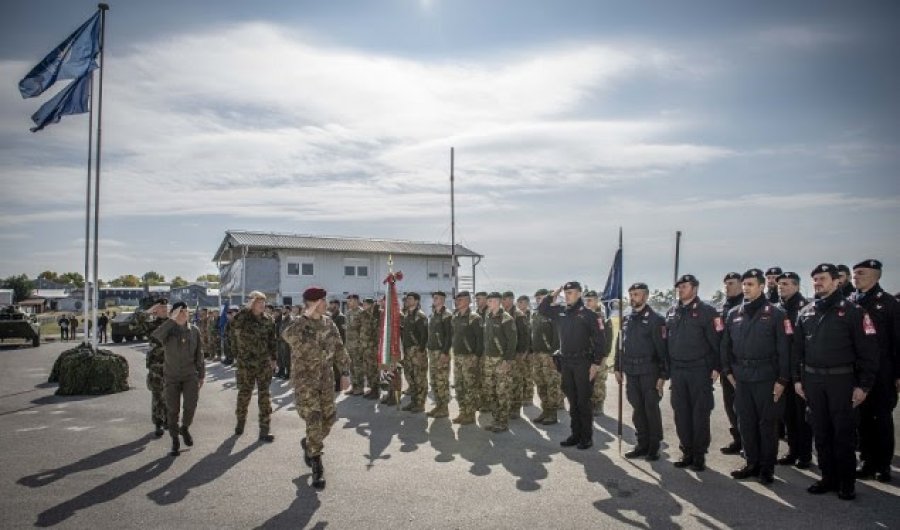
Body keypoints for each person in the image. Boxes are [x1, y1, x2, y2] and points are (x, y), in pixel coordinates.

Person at [793, 263, 879, 500]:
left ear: (836, 281)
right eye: (815, 279)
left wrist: (864, 386)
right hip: (813, 381)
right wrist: (797, 380)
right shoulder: (806, 312)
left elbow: (869, 352)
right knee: (820, 432)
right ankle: (827, 477)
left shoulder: (853, 311)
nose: (817, 282)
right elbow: (797, 351)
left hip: (841, 381)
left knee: (843, 433)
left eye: (822, 278)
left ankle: (846, 482)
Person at [721, 269, 791, 484]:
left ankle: (766, 468)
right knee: (746, 423)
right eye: (744, 284)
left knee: (767, 425)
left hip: (767, 377)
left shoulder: (776, 313)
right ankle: (751, 463)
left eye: (750, 284)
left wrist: (782, 380)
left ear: (761, 287)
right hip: (742, 378)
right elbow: (726, 346)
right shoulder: (734, 313)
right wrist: (729, 372)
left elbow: (785, 349)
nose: (746, 288)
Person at [281, 287, 350, 489]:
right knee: (314, 418)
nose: (326, 303)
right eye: (322, 300)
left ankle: (309, 443)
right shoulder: (297, 324)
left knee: (329, 418)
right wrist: (305, 316)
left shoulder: (329, 323)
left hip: (326, 380)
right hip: (305, 381)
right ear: (314, 303)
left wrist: (345, 373)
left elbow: (339, 348)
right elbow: (286, 336)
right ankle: (317, 466)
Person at [538, 282, 606, 449]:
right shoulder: (561, 311)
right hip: (566, 362)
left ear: (579, 294)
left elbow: (600, 342)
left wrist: (596, 364)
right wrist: (553, 294)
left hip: (583, 363)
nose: (567, 295)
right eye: (566, 292)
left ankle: (586, 437)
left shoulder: (589, 315)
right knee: (572, 400)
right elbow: (542, 309)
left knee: (583, 402)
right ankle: (575, 434)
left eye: (571, 292)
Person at [666, 274, 722, 471]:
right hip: (678, 370)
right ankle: (687, 451)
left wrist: (717, 367)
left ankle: (699, 455)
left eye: (684, 286)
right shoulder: (673, 311)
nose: (680, 289)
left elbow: (718, 342)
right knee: (681, 413)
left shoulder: (708, 312)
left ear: (695, 288)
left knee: (699, 413)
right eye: (679, 286)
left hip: (699, 370)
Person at [851, 259, 899, 483]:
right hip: (857, 373)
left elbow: (897, 342)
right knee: (862, 419)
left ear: (876, 276)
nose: (855, 277)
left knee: (881, 419)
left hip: (882, 373)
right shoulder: (849, 302)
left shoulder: (888, 303)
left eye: (861, 273)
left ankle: (883, 465)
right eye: (854, 273)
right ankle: (867, 461)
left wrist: (898, 374)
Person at [615, 282, 668, 461]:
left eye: (636, 294)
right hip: (631, 370)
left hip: (649, 371)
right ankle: (642, 443)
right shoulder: (627, 319)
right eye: (631, 294)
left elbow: (662, 350)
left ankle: (654, 446)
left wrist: (662, 375)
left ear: (645, 296)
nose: (633, 298)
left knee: (650, 408)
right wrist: (617, 367)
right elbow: (619, 345)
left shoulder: (656, 320)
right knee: (637, 408)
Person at [151, 301, 204, 457]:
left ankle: (185, 428)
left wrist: (201, 374)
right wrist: (171, 320)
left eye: (185, 311)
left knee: (191, 405)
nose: (183, 314)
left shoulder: (194, 331)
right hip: (171, 376)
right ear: (173, 313)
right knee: (173, 410)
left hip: (190, 375)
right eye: (180, 311)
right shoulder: (168, 330)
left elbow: (199, 354)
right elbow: (156, 336)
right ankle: (174, 439)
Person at [775, 271, 813, 469]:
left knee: (801, 416)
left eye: (788, 284)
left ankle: (804, 455)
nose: (783, 287)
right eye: (781, 284)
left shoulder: (804, 307)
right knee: (788, 414)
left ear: (797, 286)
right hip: (782, 369)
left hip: (798, 370)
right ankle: (792, 450)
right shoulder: (777, 308)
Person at [230, 291, 278, 442]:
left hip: (263, 363)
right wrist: (236, 356)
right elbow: (232, 333)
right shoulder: (242, 317)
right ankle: (240, 422)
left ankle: (264, 430)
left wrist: (274, 359)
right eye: (259, 302)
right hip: (246, 364)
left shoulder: (268, 320)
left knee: (265, 396)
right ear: (252, 303)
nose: (262, 305)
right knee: (244, 394)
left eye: (264, 302)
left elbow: (273, 341)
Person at [481, 292, 517, 432]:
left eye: (491, 301)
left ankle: (503, 422)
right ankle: (495, 419)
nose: (488, 303)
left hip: (501, 360)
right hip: (489, 359)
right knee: (491, 391)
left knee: (502, 391)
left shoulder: (506, 318)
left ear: (498, 302)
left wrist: (507, 361)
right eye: (488, 301)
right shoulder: (488, 316)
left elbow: (512, 342)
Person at [719, 272, 745, 455]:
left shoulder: (746, 306)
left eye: (731, 283)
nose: (727, 286)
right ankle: (738, 439)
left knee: (745, 407)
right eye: (725, 283)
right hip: (726, 366)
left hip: (743, 366)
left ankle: (749, 441)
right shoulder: (723, 307)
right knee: (729, 405)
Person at [450, 291, 483, 425]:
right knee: (459, 386)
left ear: (469, 301)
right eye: (457, 300)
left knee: (470, 387)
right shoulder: (455, 317)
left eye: (461, 299)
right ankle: (463, 412)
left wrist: (476, 356)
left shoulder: (474, 318)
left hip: (470, 357)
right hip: (458, 357)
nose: (458, 302)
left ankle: (470, 415)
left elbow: (480, 339)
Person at [530, 289, 561, 425]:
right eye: (537, 298)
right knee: (540, 383)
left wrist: (553, 353)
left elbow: (558, 336)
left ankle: (553, 413)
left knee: (551, 384)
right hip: (537, 354)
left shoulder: (554, 313)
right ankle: (545, 410)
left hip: (549, 355)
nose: (539, 301)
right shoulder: (536, 314)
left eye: (541, 298)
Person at [142, 299, 170, 437]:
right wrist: (148, 311)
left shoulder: (174, 324)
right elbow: (137, 321)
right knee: (157, 394)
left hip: (172, 365)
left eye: (166, 308)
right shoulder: (151, 325)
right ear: (156, 310)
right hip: (156, 366)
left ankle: (168, 420)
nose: (164, 310)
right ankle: (158, 423)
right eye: (161, 308)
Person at [501, 291, 530, 420]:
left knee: (516, 381)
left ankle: (515, 409)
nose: (503, 301)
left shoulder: (519, 315)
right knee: (505, 382)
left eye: (505, 299)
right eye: (502, 299)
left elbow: (526, 335)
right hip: (505, 354)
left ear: (511, 300)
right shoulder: (502, 315)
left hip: (517, 353)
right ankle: (507, 407)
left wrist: (524, 352)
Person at [584, 290, 613, 417]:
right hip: (586, 354)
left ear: (596, 301)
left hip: (599, 354)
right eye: (586, 300)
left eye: (590, 300)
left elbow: (608, 339)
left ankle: (598, 403)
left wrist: (604, 356)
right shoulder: (584, 317)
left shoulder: (603, 317)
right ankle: (589, 403)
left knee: (599, 379)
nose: (587, 303)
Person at [426, 291, 453, 418]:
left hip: (441, 353)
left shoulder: (446, 315)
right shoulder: (433, 314)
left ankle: (444, 408)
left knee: (442, 381)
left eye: (436, 298)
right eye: (433, 298)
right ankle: (438, 406)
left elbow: (449, 336)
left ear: (442, 300)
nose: (434, 300)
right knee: (434, 381)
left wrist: (445, 352)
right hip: (432, 352)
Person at [400, 293, 429, 413]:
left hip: (417, 351)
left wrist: (421, 351)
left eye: (410, 299)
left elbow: (424, 336)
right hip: (407, 351)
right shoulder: (407, 315)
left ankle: (420, 404)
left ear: (416, 301)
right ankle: (413, 401)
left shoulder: (420, 316)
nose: (407, 300)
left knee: (419, 378)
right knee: (410, 376)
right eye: (407, 299)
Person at [329, 299, 347, 391]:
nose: (330, 306)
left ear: (337, 306)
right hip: (330, 345)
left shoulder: (341, 317)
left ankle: (338, 385)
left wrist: (341, 346)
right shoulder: (331, 316)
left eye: (332, 304)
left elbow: (343, 333)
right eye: (330, 304)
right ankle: (334, 383)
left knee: (337, 366)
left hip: (337, 345)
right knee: (331, 365)